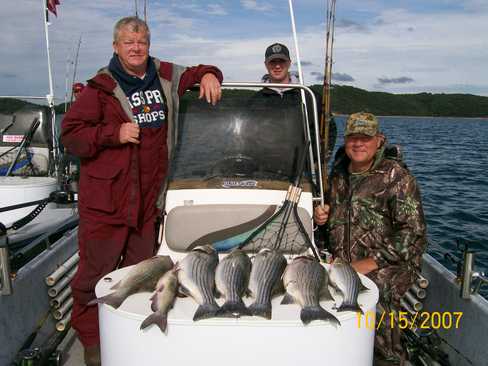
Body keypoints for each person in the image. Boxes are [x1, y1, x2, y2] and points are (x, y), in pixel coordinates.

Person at [61, 16, 222, 366]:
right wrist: (111, 134)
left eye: (142, 42)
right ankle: (92, 340)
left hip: (148, 202)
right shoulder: (100, 87)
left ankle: (131, 334)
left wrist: (211, 74)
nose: (136, 48)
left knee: (141, 273)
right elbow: (71, 135)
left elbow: (198, 71)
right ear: (116, 47)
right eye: (129, 43)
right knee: (93, 276)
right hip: (107, 203)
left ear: (149, 44)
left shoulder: (163, 73)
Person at [314, 112, 427, 365]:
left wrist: (370, 263)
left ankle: (389, 357)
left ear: (378, 140)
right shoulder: (338, 174)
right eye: (353, 137)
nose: (358, 144)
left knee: (376, 306)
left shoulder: (396, 177)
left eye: (365, 138)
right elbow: (331, 217)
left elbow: (413, 233)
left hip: (389, 265)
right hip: (344, 262)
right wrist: (320, 217)